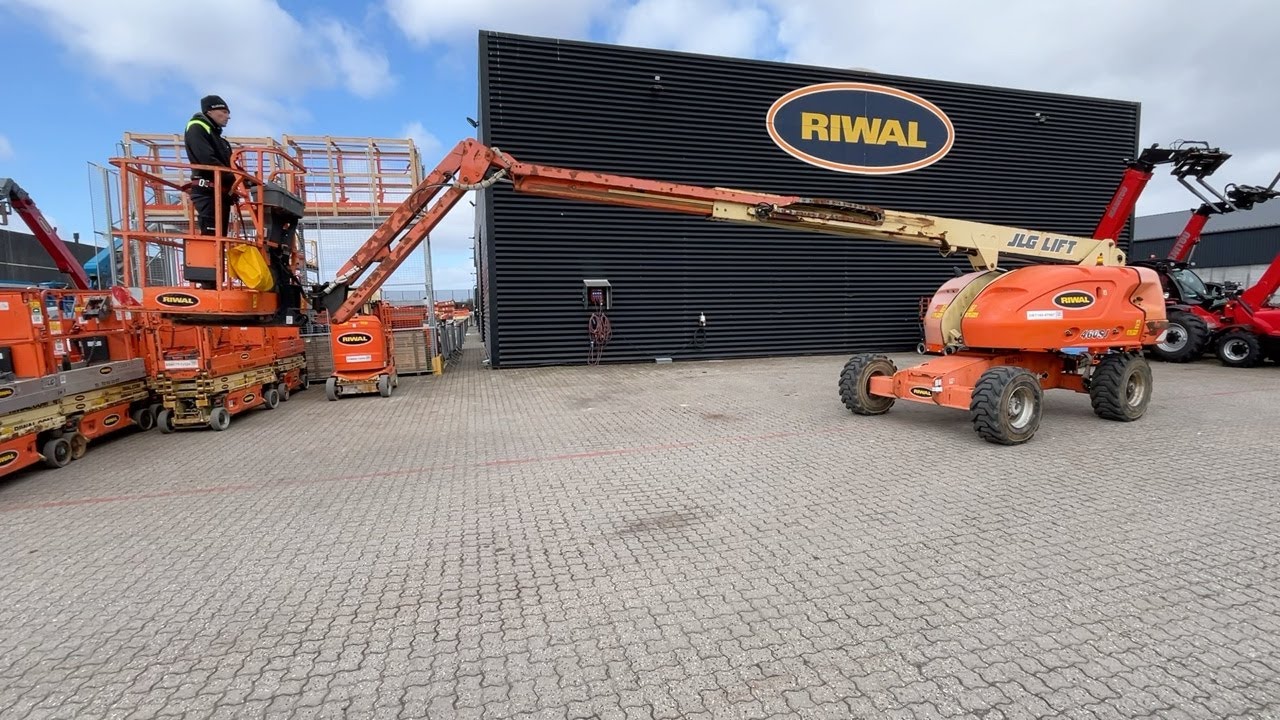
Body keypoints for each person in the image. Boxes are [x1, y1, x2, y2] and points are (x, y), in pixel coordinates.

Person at [184, 94, 235, 237]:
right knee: (212, 238)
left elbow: (229, 165)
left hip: (219, 192)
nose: (228, 116)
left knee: (220, 237)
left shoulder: (219, 139)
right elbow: (206, 160)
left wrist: (246, 180)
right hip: (207, 191)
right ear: (210, 111)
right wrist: (233, 177)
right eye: (224, 112)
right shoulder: (197, 127)